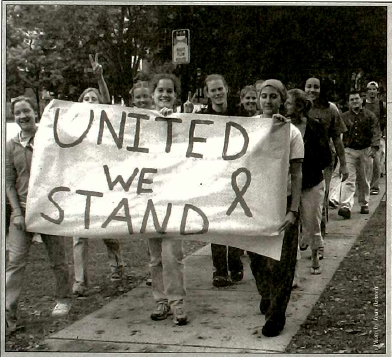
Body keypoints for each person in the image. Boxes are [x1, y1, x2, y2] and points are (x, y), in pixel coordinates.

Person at [6, 96, 72, 335]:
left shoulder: (48, 138)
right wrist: (16, 212)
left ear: (36, 112)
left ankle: (64, 298)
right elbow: (9, 182)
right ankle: (7, 315)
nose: (22, 116)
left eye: (27, 111)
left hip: (49, 209)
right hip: (22, 212)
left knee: (58, 260)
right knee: (15, 263)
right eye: (17, 113)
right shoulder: (11, 145)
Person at [248, 79, 303, 337]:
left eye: (273, 97)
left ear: (282, 100)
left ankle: (276, 316)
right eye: (263, 96)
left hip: (283, 201)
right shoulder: (250, 128)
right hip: (256, 202)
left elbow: (297, 171)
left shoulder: (291, 132)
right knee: (257, 257)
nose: (268, 101)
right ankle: (266, 294)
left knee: (281, 262)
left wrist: (294, 210)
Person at [73, 54, 124, 296]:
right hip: (80, 185)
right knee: (79, 235)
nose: (91, 101)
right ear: (79, 103)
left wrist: (100, 77)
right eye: (87, 98)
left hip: (104, 184)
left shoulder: (105, 125)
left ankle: (116, 267)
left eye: (94, 98)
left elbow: (106, 102)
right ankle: (80, 282)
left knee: (108, 231)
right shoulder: (71, 128)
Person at [196, 74, 244, 288]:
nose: (217, 93)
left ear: (227, 89)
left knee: (234, 223)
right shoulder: (202, 117)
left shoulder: (241, 115)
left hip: (237, 177)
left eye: (220, 89)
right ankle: (220, 270)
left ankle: (235, 263)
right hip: (213, 177)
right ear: (207, 93)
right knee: (216, 224)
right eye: (212, 90)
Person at [147, 73, 188, 325]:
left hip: (175, 197)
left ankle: (177, 304)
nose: (164, 94)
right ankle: (160, 302)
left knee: (173, 254)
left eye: (169, 91)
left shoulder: (184, 121)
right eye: (160, 90)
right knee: (155, 257)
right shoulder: (140, 121)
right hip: (149, 198)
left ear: (175, 96)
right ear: (152, 94)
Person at [285, 89, 332, 275]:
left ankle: (314, 254)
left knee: (312, 222)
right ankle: (293, 270)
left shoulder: (315, 127)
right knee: (291, 228)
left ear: (299, 106)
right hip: (289, 183)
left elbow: (326, 156)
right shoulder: (283, 127)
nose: (285, 106)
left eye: (289, 103)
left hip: (312, 182)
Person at [304, 77, 348, 258]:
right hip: (300, 161)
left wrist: (344, 164)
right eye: (309, 86)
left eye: (316, 87)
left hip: (323, 161)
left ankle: (319, 243)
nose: (312, 90)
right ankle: (304, 235)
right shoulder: (297, 106)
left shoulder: (330, 110)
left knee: (320, 203)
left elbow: (337, 138)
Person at [338, 91, 381, 219]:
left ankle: (364, 203)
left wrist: (374, 148)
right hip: (349, 150)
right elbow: (338, 134)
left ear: (361, 100)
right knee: (349, 179)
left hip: (365, 150)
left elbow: (375, 131)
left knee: (364, 179)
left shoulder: (369, 116)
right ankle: (346, 206)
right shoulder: (344, 117)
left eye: (356, 99)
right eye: (352, 99)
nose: (355, 101)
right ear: (348, 103)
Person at [363, 81, 386, 196]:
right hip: (364, 136)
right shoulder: (362, 104)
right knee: (364, 162)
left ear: (377, 91)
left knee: (376, 161)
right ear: (366, 91)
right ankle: (363, 185)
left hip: (378, 136)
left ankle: (374, 186)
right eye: (370, 89)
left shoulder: (382, 105)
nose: (372, 91)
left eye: (374, 89)